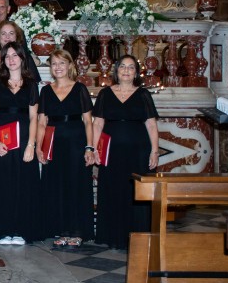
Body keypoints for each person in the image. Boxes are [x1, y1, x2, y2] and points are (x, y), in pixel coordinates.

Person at [92, 55, 159, 250]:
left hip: (138, 151)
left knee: (137, 192)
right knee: (113, 189)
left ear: (136, 73)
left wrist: (154, 151)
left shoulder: (143, 94)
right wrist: (94, 148)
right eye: (123, 66)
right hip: (111, 152)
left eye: (131, 67)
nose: (127, 70)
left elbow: (151, 124)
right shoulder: (105, 94)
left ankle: (138, 236)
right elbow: (98, 124)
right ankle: (112, 235)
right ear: (116, 70)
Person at [36, 50, 95, 246]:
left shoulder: (80, 89)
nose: (58, 67)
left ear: (70, 65)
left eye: (62, 63)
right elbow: (42, 122)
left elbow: (88, 121)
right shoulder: (45, 91)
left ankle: (77, 230)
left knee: (76, 186)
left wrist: (89, 148)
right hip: (54, 144)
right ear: (50, 68)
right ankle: (61, 230)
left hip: (77, 144)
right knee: (57, 187)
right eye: (54, 64)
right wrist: (39, 147)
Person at [0, 42, 40, 246]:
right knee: (4, 185)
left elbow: (34, 117)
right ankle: (4, 229)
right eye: (7, 56)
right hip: (3, 140)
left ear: (22, 58)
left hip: (25, 140)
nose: (10, 59)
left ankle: (20, 229)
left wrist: (31, 145)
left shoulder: (31, 84)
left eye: (14, 55)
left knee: (23, 185)